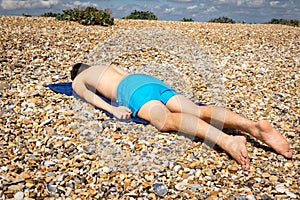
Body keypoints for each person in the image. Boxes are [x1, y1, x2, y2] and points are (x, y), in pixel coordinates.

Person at [71, 63, 292, 170]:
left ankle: (228, 141)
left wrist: (113, 109)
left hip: (131, 90)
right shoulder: (111, 65)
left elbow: (88, 96)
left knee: (165, 120)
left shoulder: (80, 77)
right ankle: (252, 126)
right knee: (196, 109)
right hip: (148, 80)